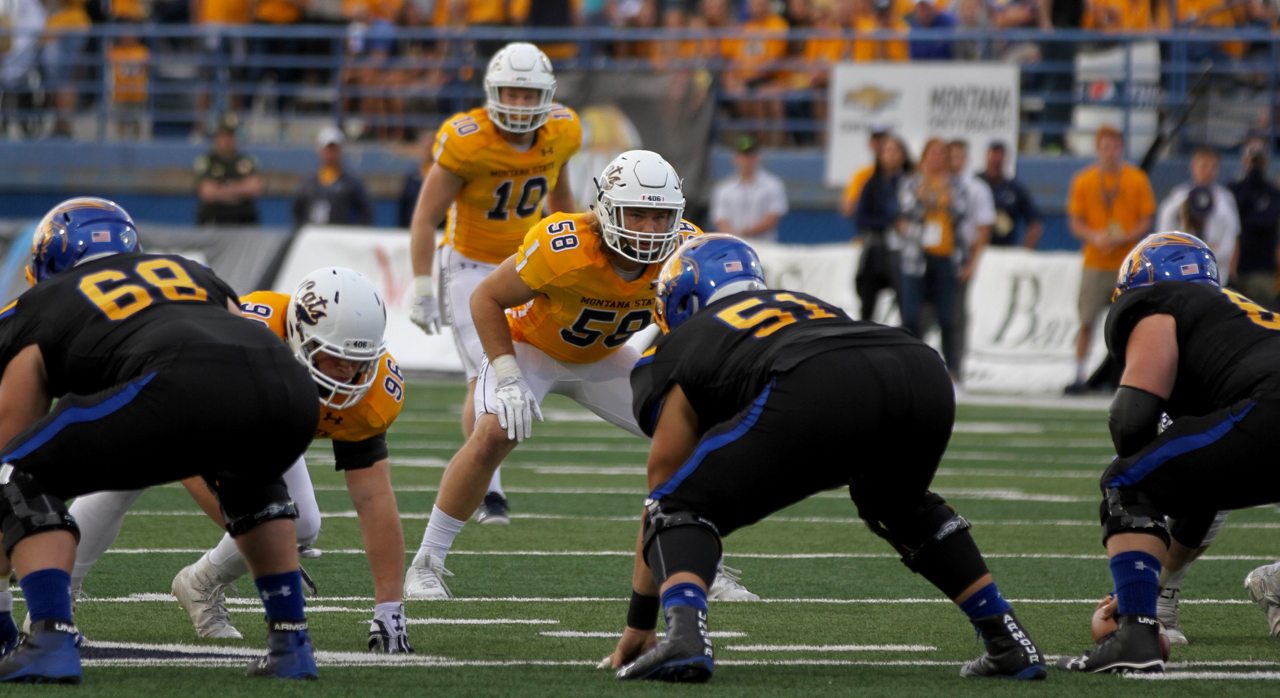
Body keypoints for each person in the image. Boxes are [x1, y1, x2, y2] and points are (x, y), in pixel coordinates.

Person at [603, 234, 1046, 683]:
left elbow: (664, 486)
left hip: (816, 378)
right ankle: (1007, 639)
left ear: (681, 298)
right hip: (919, 367)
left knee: (676, 505)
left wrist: (640, 621)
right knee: (898, 505)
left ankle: (685, 637)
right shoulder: (802, 303)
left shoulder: (680, 344)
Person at [404, 150, 756, 603]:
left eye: (660, 216)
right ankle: (426, 563)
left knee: (693, 434)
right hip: (532, 350)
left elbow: (693, 326)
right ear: (606, 209)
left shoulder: (685, 251)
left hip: (603, 359)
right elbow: (485, 298)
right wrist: (507, 374)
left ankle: (703, 564)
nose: (650, 229)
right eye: (637, 214)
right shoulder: (563, 246)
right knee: (493, 432)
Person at [0, 198, 318, 682]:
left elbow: (11, 440)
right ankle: (291, 644)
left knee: (19, 473)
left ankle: (49, 638)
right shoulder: (191, 271)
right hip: (288, 384)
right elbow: (237, 328)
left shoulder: (38, 305)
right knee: (250, 476)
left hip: (173, 382)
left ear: (49, 261)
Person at [65, 267, 413, 652]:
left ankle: (201, 584)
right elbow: (189, 458)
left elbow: (374, 498)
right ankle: (55, 604)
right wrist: (263, 541)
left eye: (359, 360)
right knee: (125, 474)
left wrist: (389, 609)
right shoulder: (242, 343)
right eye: (335, 356)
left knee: (300, 523)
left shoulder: (373, 391)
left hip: (270, 418)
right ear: (299, 337)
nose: (349, 372)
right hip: (173, 387)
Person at [1056, 231, 1280, 674]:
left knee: (1127, 481)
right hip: (1264, 406)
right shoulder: (1239, 323)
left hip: (1271, 405)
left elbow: (1131, 418)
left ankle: (1136, 637)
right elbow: (1203, 484)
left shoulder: (1157, 301)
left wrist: (1133, 584)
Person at [407, 42, 580, 525]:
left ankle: (484, 480)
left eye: (529, 95)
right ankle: (489, 489)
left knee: (509, 369)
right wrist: (421, 284)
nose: (520, 105)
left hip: (525, 266)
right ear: (492, 93)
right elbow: (425, 217)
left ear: (547, 95)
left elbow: (562, 203)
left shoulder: (563, 130)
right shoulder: (466, 140)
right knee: (485, 371)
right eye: (511, 94)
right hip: (468, 266)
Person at [1064, 125, 1155, 395]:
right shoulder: (1084, 180)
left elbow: (1146, 219)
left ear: (1121, 149)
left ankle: (1127, 375)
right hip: (1095, 261)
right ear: (1098, 149)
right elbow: (1075, 221)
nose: (1110, 152)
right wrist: (1095, 236)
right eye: (1105, 147)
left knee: (1129, 323)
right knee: (1087, 320)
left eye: (1115, 147)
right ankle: (1078, 373)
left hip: (1127, 263)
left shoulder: (1136, 179)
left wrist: (1124, 237)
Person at [896, 137, 968, 379]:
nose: (937, 158)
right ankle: (911, 367)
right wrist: (927, 199)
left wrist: (936, 199)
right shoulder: (911, 182)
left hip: (946, 256)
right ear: (924, 156)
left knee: (948, 318)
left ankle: (953, 371)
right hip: (916, 257)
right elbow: (906, 212)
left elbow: (962, 214)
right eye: (933, 153)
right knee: (911, 316)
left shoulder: (957, 185)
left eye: (941, 153)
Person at [1156, 147, 1240, 282]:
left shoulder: (1225, 198)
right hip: (1183, 271)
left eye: (1213, 167)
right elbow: (1164, 234)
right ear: (1193, 166)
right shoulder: (1177, 197)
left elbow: (1233, 237)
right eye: (1204, 165)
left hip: (1217, 271)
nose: (1208, 171)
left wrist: (1231, 270)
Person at [853, 134, 911, 321]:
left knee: (908, 306)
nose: (891, 155)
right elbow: (861, 219)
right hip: (876, 249)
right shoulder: (871, 185)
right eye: (887, 151)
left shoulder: (911, 183)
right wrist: (890, 222)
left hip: (904, 252)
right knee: (867, 305)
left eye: (896, 151)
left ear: (904, 156)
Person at [291, 126, 374, 231]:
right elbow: (297, 212)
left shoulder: (351, 184)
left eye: (334, 149)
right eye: (327, 149)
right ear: (320, 150)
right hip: (314, 237)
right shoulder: (308, 185)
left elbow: (366, 212)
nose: (330, 153)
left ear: (341, 150)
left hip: (340, 236)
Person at [1230, 137, 1280, 308]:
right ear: (1244, 160)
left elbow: (1267, 222)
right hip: (1233, 266)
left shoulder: (1273, 193)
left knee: (1263, 313)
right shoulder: (1233, 190)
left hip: (1262, 266)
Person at [710, 136, 789, 242]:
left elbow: (774, 216)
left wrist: (746, 233)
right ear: (735, 158)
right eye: (743, 156)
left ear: (758, 157)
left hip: (765, 244)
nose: (747, 160)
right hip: (734, 244)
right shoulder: (724, 188)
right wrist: (734, 237)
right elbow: (720, 218)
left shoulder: (773, 184)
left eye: (751, 156)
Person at [194, 113, 263, 226]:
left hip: (242, 217)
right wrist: (239, 189)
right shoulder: (207, 161)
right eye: (224, 135)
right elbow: (207, 192)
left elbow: (254, 188)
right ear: (217, 136)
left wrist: (222, 188)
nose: (228, 140)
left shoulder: (246, 160)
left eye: (231, 135)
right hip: (214, 216)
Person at [977, 141, 1043, 249]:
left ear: (1005, 160)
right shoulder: (974, 184)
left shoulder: (1015, 189)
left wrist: (1025, 252)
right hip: (974, 248)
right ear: (987, 158)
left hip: (1003, 250)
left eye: (999, 160)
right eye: (993, 158)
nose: (996, 163)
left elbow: (1035, 223)